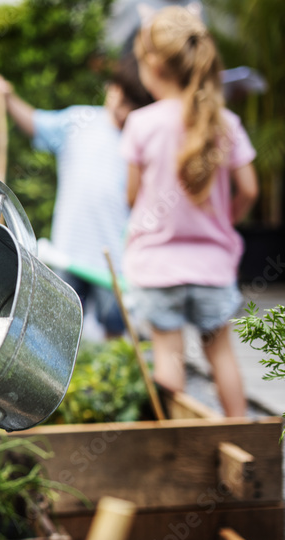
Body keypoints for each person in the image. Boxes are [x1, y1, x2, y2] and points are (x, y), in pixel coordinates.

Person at [122, 5, 258, 417]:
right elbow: (249, 190)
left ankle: (173, 446)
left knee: (169, 356)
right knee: (221, 356)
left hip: (157, 267)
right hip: (212, 265)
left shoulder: (142, 124)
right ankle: (242, 437)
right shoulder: (226, 123)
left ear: (153, 64)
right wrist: (222, 221)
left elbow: (131, 197)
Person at [0, 55, 153, 339]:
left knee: (116, 328)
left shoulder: (142, 138)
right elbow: (37, 123)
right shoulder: (80, 121)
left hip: (113, 260)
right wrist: (9, 98)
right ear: (112, 89)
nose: (124, 110)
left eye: (133, 105)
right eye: (121, 97)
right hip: (68, 252)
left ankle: (112, 379)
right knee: (57, 330)